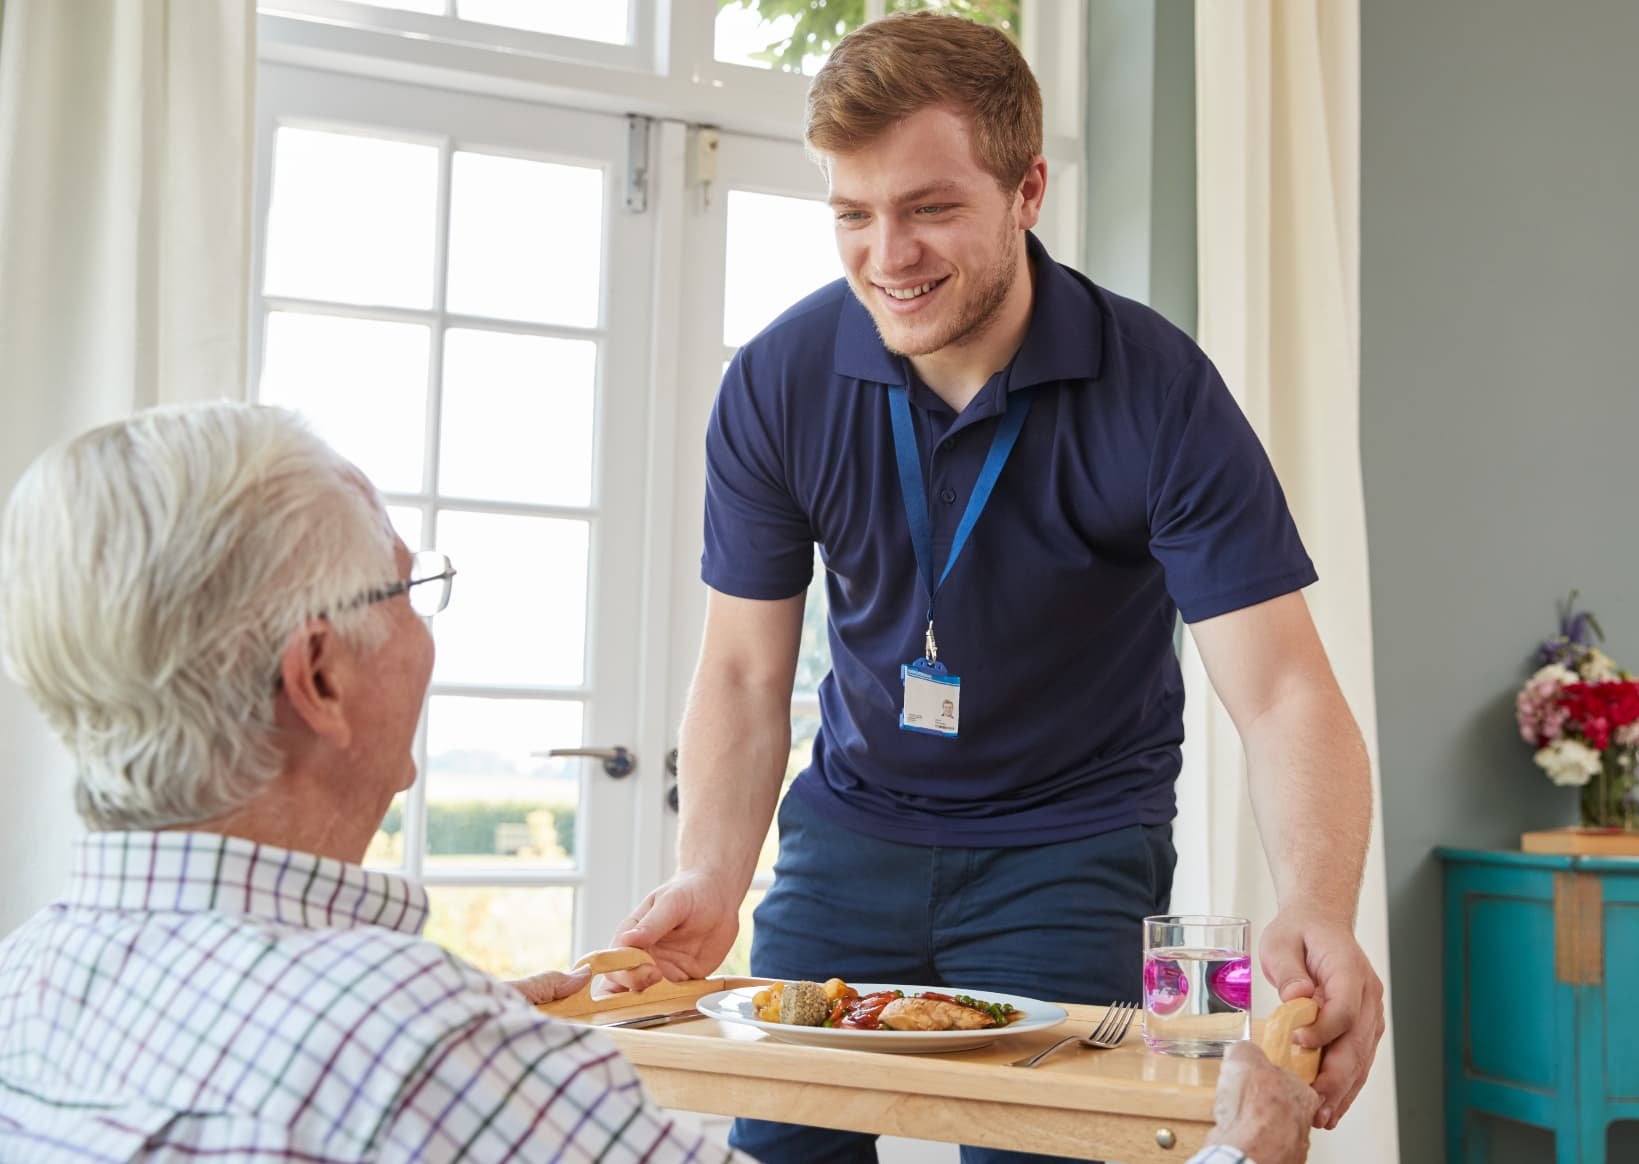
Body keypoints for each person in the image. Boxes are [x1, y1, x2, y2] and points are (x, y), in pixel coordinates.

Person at [614, 12, 1384, 1164]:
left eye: (929, 208)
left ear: (1028, 190)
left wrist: (1318, 904)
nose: (889, 255)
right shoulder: (778, 382)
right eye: (855, 215)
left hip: (1070, 846)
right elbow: (739, 667)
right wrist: (712, 874)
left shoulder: (1160, 389)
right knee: (783, 1149)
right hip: (850, 835)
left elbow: (1282, 691)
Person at [0, 403, 741, 1162]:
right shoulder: (414, 1045)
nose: (425, 630)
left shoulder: (22, 975)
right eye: (406, 588)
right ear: (319, 676)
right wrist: (476, 1056)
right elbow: (382, 1056)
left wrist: (485, 1056)